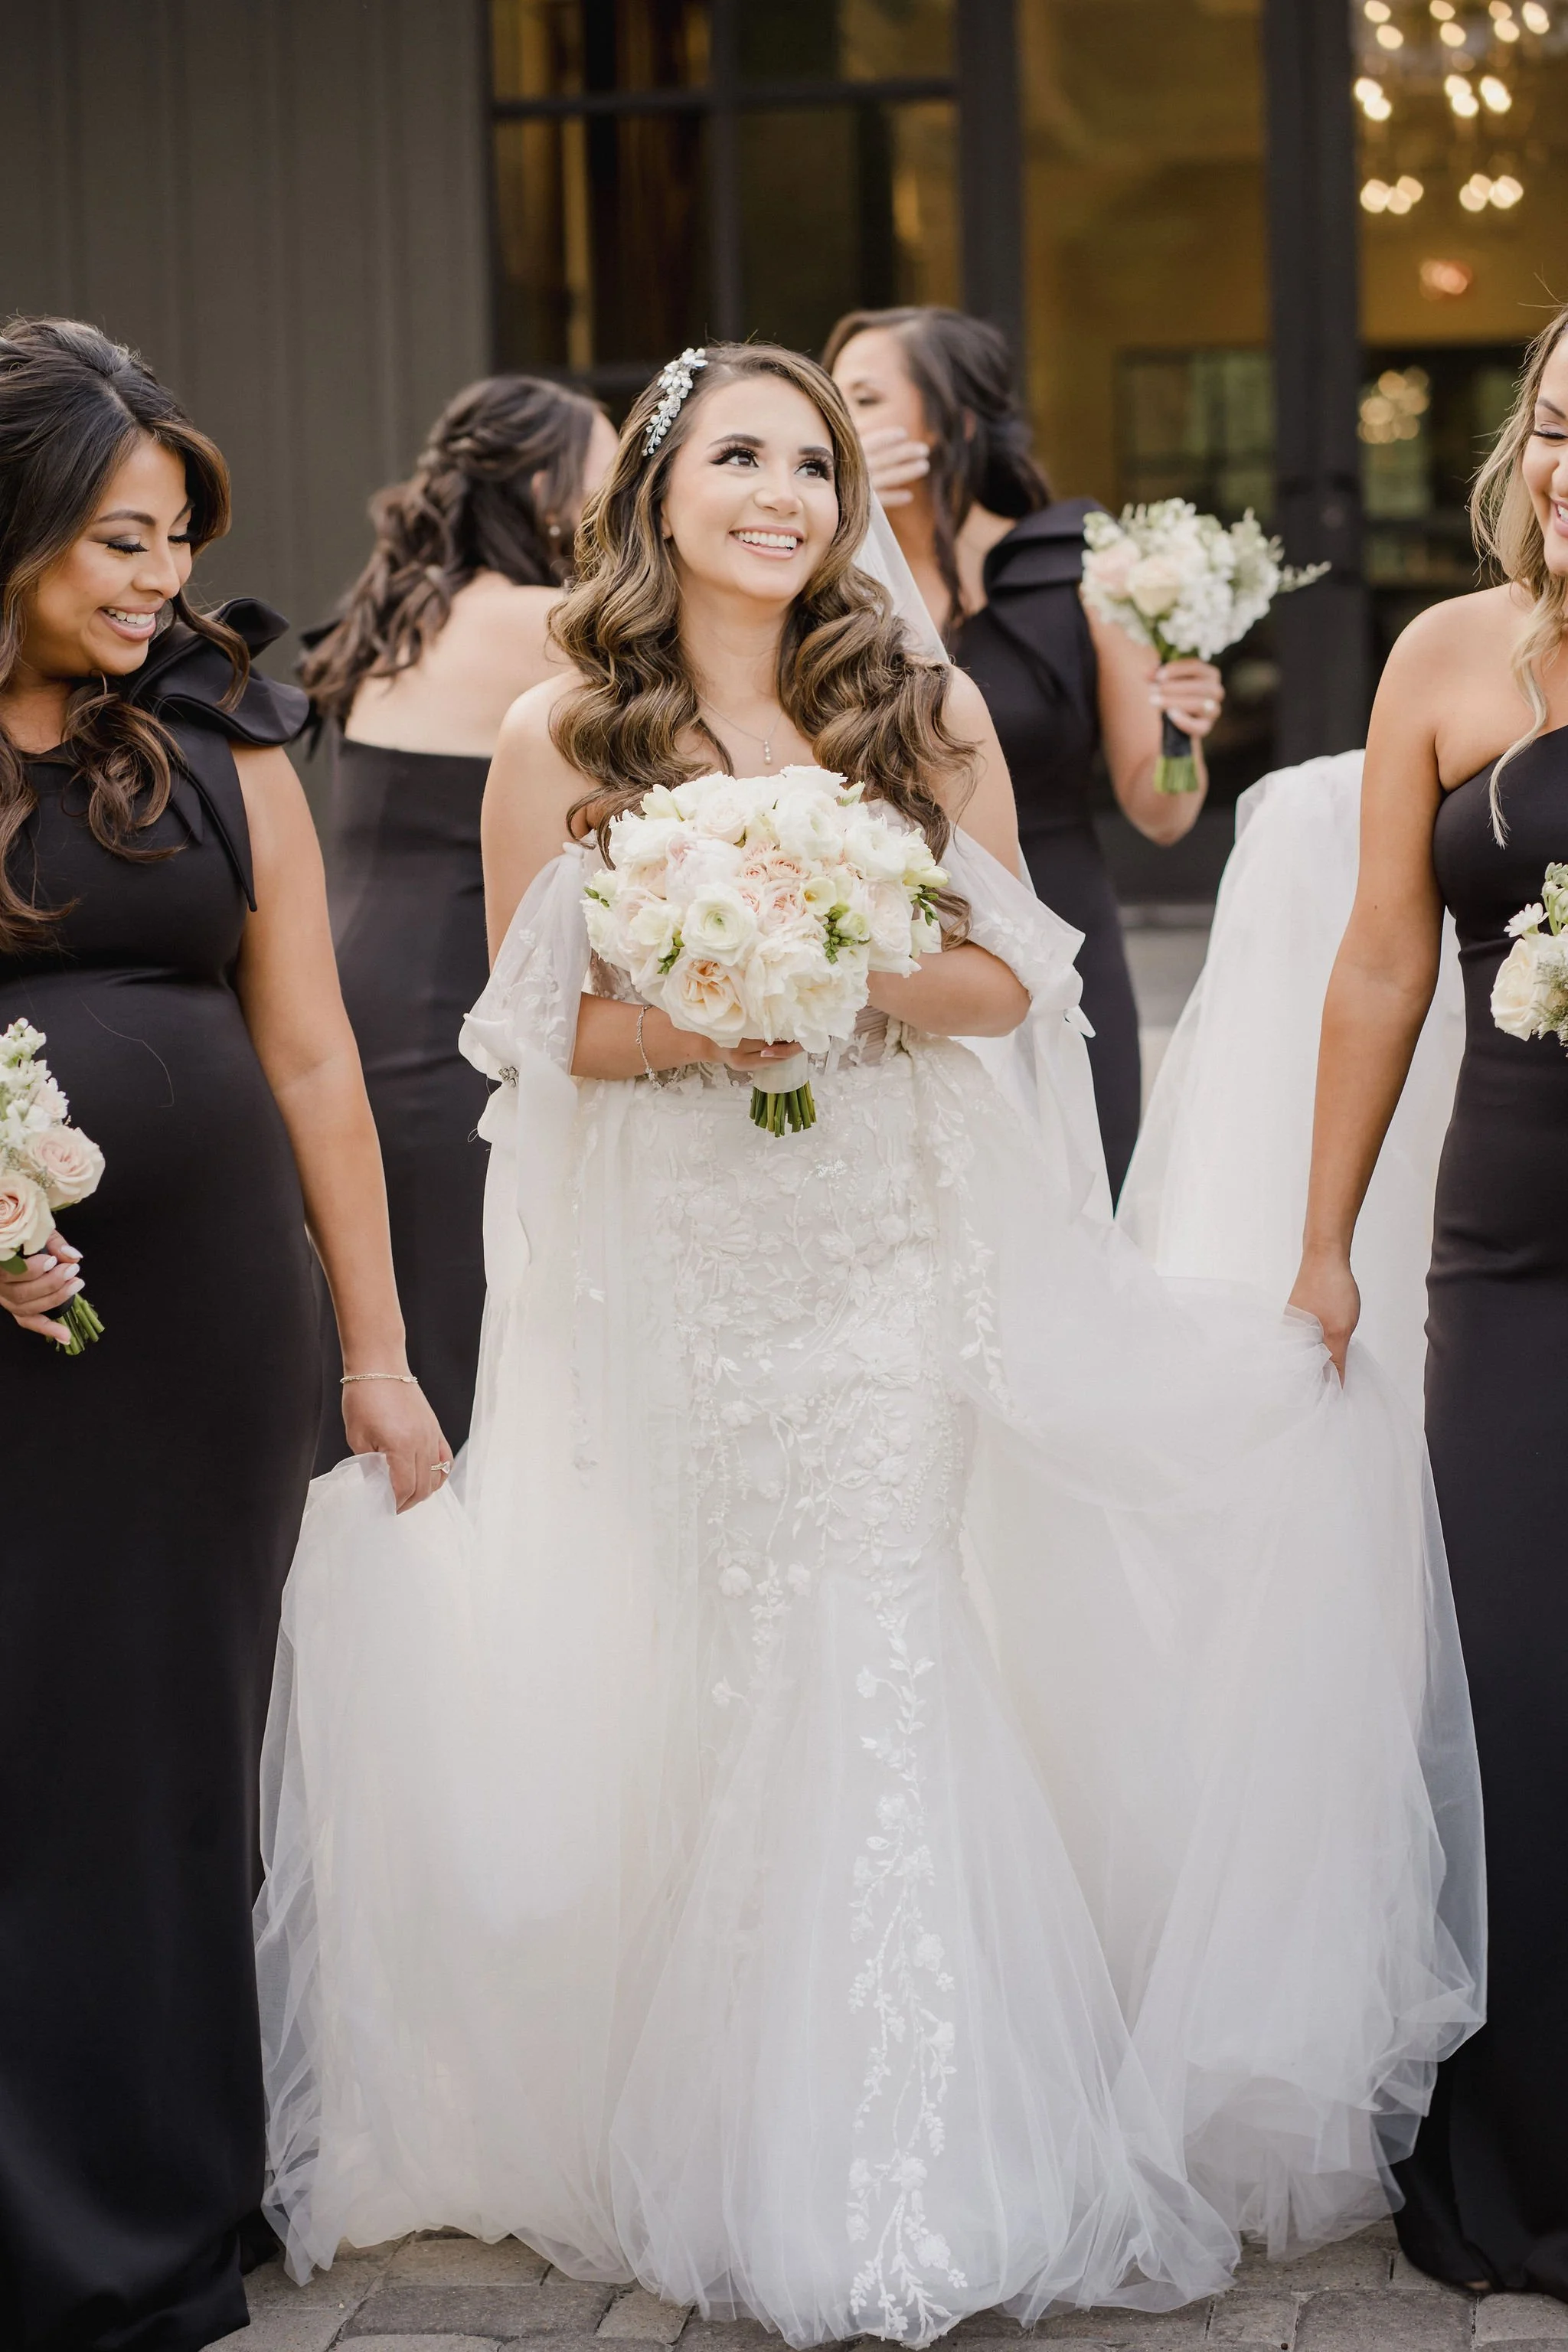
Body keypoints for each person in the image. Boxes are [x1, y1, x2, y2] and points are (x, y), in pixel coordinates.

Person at [255, 343, 1481, 2344]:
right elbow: (534, 1028)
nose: (783, 495)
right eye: (739, 456)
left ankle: (928, 2154)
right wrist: (722, 1017)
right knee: (731, 1643)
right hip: (693, 1256)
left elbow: (1015, 982)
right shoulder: (564, 730)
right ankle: (730, 2112)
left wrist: (841, 967)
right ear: (657, 489)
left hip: (884, 1249)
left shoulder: (909, 708)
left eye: (811, 463)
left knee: (884, 1622)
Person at [0, 317, 448, 2352]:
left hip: (199, 1348)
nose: (154, 579)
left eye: (172, 539)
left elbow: (320, 1063)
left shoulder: (225, 732)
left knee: (179, 1758)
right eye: (113, 538)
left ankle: (171, 2192)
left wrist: (377, 1352)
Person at [1289, 306, 1568, 2301]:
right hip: (1514, 1248)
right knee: (1522, 1676)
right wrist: (1325, 1239)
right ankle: (1532, 2149)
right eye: (1562, 432)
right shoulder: (1448, 655)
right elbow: (1387, 958)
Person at [824, 306, 1224, 1197]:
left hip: (1057, 930)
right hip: (893, 953)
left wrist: (1178, 735)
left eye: (861, 399)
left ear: (952, 422)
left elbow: (1160, 816)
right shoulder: (823, 587)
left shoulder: (1077, 564)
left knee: (1082, 1207)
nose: (835, 425)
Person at [300, 374, 616, 1455]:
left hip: (350, 990)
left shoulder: (396, 604)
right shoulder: (547, 624)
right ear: (543, 487)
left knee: (382, 1323)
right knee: (460, 1342)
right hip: (448, 1014)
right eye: (611, 476)